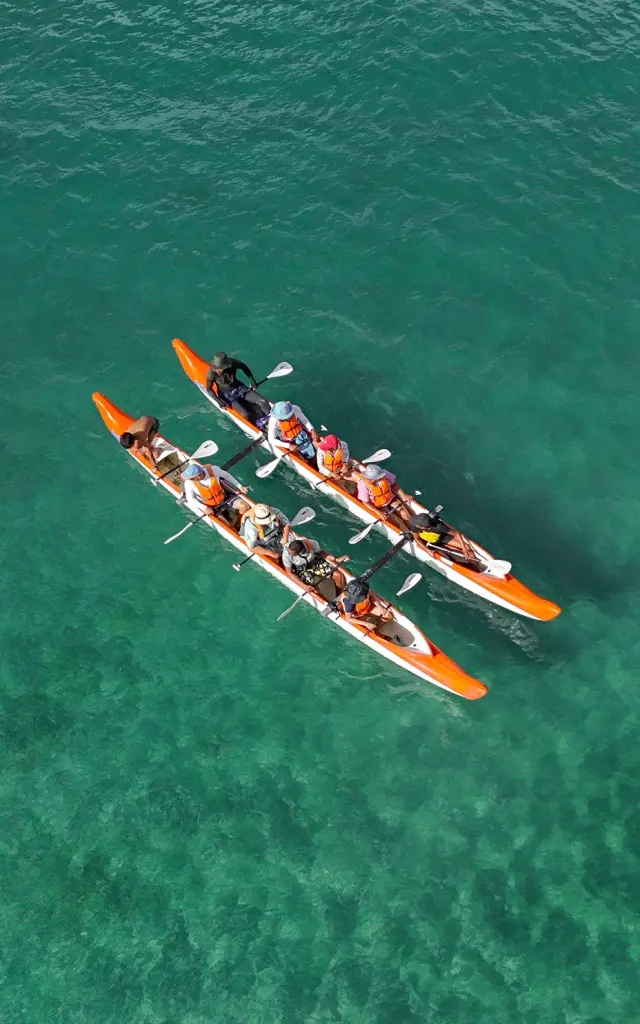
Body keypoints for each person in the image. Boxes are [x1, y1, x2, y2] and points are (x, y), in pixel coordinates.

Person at [205, 352, 271, 426]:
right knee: (246, 415)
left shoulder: (233, 363)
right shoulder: (211, 373)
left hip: (240, 388)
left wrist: (252, 380)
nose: (217, 370)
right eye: (215, 368)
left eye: (219, 369)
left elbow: (244, 366)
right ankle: (258, 426)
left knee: (263, 401)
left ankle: (270, 419)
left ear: (225, 366)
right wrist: (219, 402)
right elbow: (209, 389)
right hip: (227, 396)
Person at [182, 462, 250, 527]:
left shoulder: (214, 470)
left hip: (224, 498)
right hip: (211, 507)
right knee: (227, 526)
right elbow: (190, 499)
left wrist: (239, 486)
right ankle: (233, 528)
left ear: (198, 476)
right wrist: (205, 508)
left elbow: (226, 475)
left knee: (245, 506)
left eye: (191, 478)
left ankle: (239, 524)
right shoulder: (188, 483)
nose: (189, 479)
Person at [282, 537, 349, 593]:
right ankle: (327, 602)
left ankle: (340, 596)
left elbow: (320, 552)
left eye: (292, 554)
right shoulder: (286, 554)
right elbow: (290, 572)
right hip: (301, 570)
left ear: (300, 552)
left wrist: (336, 559)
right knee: (316, 589)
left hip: (314, 563)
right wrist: (304, 586)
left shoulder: (310, 543)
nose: (289, 553)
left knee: (338, 575)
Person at [409, 511, 476, 564]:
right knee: (444, 557)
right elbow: (417, 539)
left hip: (441, 538)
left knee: (467, 547)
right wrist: (427, 550)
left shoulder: (439, 526)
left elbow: (456, 533)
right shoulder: (415, 524)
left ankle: (474, 566)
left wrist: (464, 549)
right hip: (429, 543)